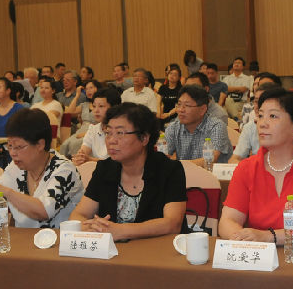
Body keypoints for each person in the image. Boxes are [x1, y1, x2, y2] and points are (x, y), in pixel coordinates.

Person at [219, 89, 293, 243]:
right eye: (260, 116)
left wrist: (268, 237)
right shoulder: (246, 168)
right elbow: (227, 221)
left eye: (273, 116)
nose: (262, 123)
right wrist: (244, 239)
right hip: (262, 253)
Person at [69, 103, 187, 240]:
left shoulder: (169, 169)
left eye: (120, 133)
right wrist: (93, 227)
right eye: (108, 133)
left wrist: (121, 230)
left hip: (157, 249)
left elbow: (172, 223)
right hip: (112, 251)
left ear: (144, 138)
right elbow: (78, 215)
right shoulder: (104, 168)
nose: (111, 141)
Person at [0, 108, 83, 228]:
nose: (12, 153)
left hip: (58, 239)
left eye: (19, 147)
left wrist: (2, 189)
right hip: (23, 238)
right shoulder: (16, 167)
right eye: (9, 146)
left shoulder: (65, 171)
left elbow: (44, 212)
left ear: (40, 144)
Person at [163, 85, 232, 166]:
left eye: (187, 105)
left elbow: (211, 159)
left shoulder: (216, 126)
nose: (181, 110)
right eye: (179, 104)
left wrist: (178, 165)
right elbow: (163, 157)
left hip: (211, 173)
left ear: (202, 109)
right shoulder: (173, 128)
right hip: (183, 173)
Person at [229, 82, 280, 163]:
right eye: (256, 101)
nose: (257, 106)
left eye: (262, 101)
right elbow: (234, 159)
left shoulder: (282, 126)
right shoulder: (250, 127)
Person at [72, 87, 122, 165]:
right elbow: (83, 152)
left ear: (114, 108)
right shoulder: (93, 129)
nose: (96, 111)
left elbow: (117, 163)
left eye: (101, 106)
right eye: (94, 106)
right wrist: (79, 158)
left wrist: (90, 160)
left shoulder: (122, 131)